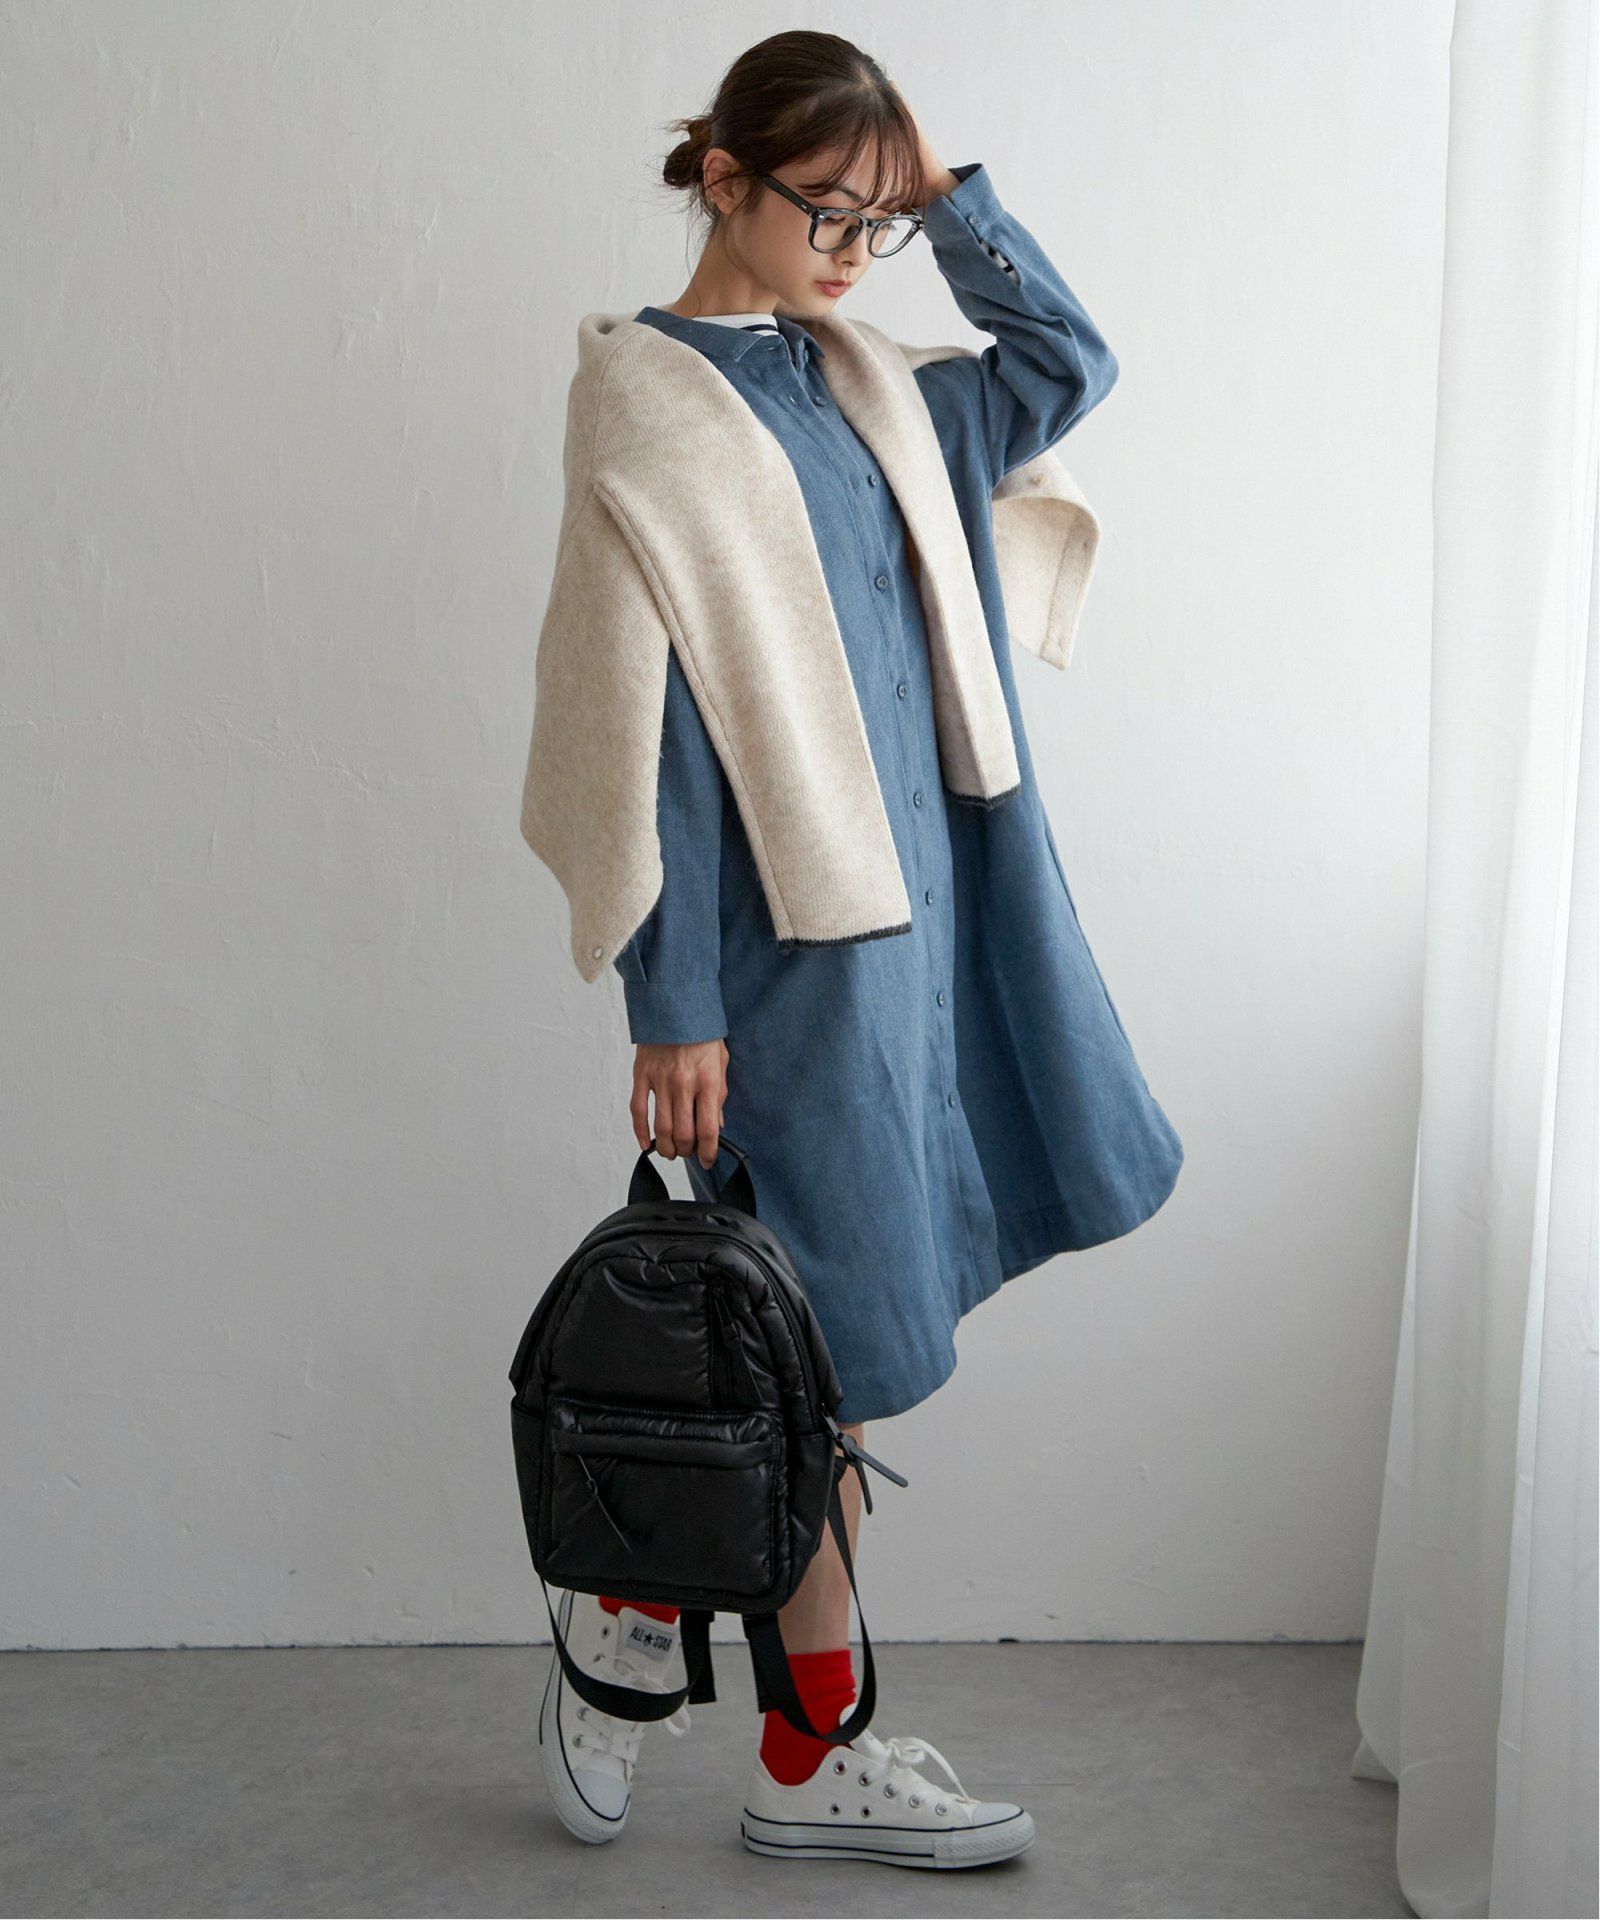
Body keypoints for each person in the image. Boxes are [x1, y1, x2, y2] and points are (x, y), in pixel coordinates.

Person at [526, 28, 1184, 1871]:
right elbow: (645, 729)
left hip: (924, 922)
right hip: (780, 957)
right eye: (825, 209)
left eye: (875, 220)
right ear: (721, 177)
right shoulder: (650, 401)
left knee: (824, 1347)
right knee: (817, 1350)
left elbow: (1065, 364)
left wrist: (942, 195)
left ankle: (633, 1621)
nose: (851, 250)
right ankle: (790, 1735)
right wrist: (674, 999)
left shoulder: (876, 382)